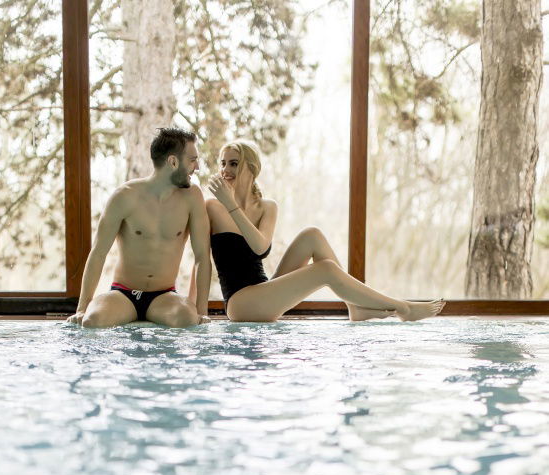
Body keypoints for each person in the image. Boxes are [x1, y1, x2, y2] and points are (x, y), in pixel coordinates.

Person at [203, 140, 445, 323]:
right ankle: (403, 308)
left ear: (251, 169)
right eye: (222, 163)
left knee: (312, 235)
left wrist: (232, 204)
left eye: (233, 163)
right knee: (326, 270)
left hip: (263, 291)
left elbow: (261, 247)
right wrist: (198, 312)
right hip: (241, 303)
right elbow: (201, 262)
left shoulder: (267, 207)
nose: (225, 169)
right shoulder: (213, 206)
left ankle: (355, 307)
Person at [69, 127, 211, 328]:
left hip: (164, 297)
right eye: (192, 160)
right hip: (123, 295)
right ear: (173, 162)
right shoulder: (125, 196)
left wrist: (202, 311)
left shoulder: (192, 198)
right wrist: (82, 309)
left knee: (188, 320)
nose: (196, 167)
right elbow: (98, 253)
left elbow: (202, 257)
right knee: (92, 321)